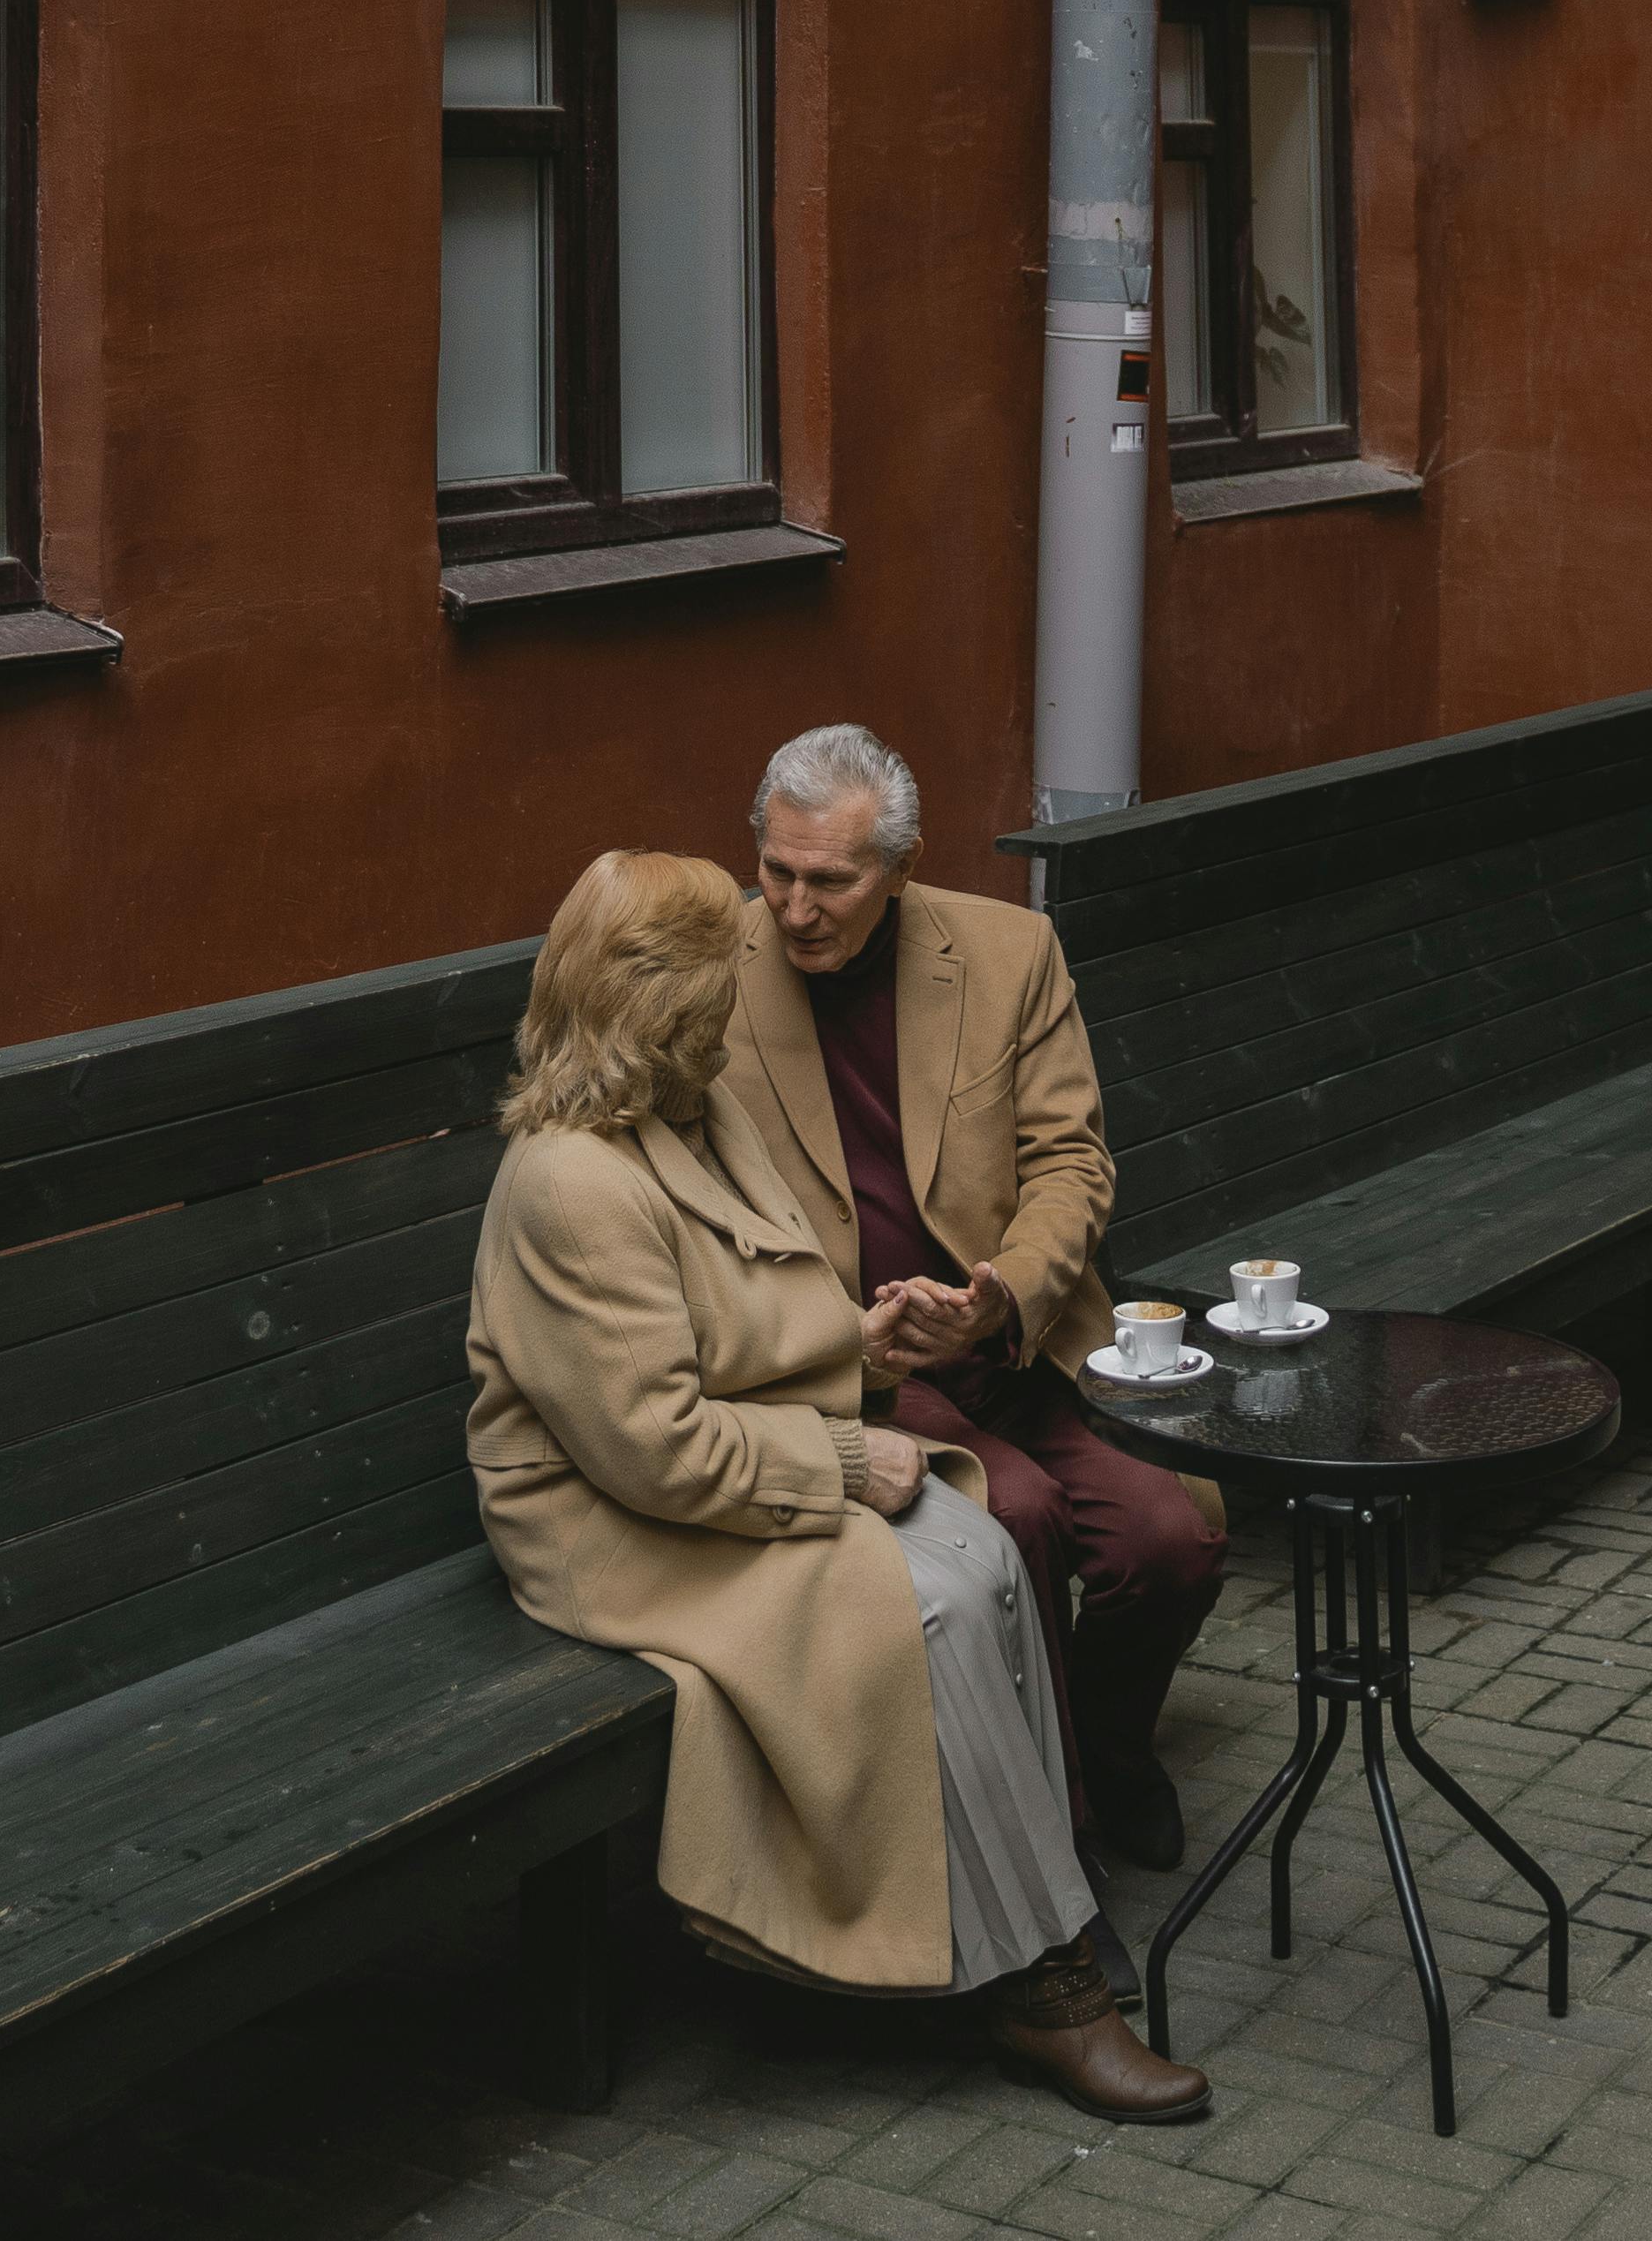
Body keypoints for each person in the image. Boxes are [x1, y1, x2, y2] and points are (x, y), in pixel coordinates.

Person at [467, 849, 1211, 2121]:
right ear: (660, 1007)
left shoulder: (687, 1116)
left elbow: (744, 1320)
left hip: (725, 1459)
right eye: (713, 991)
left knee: (977, 1555)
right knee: (914, 1607)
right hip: (607, 1521)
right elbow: (648, 1450)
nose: (735, 1008)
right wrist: (843, 1458)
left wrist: (846, 1350)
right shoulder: (569, 1180)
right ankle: (1044, 1990)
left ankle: (1030, 1918)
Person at [720, 723, 1226, 1874]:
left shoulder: (1007, 951)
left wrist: (1001, 1294)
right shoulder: (711, 979)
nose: (796, 907)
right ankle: (1052, 1844)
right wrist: (849, 1338)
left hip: (1017, 1342)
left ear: (898, 870)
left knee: (1171, 1536)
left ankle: (1103, 1747)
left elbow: (1069, 1163)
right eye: (777, 871)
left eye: (830, 881)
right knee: (1017, 1521)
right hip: (859, 1366)